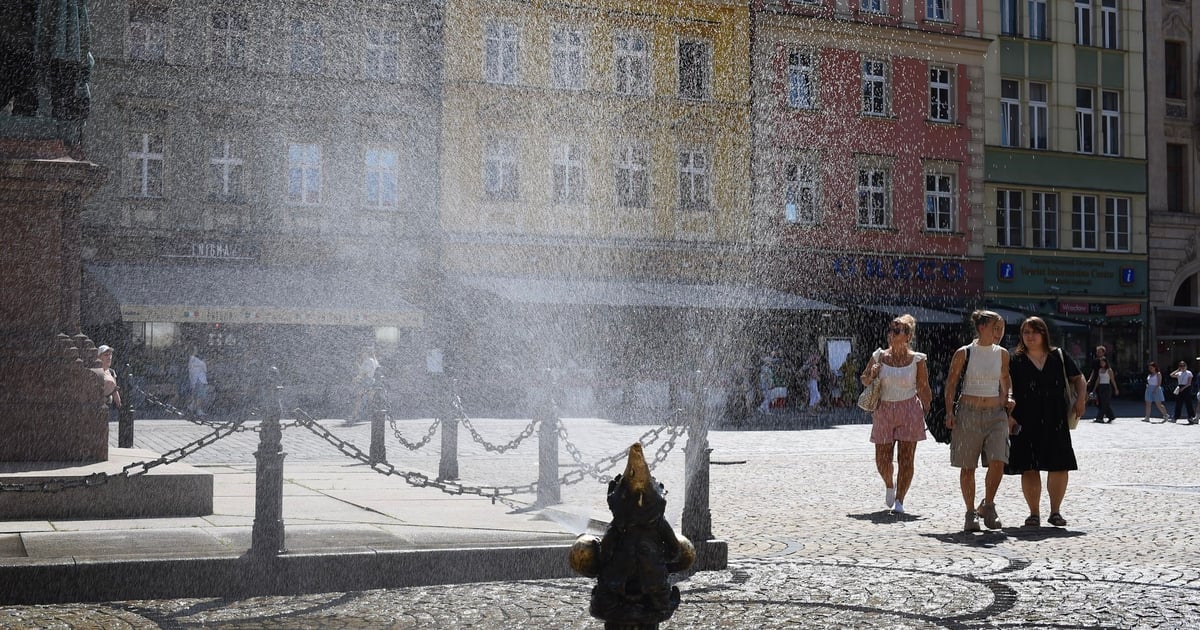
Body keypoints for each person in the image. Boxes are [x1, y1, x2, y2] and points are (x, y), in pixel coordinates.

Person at [1006, 317, 1087, 528]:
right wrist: (1008, 415)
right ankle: (1034, 513)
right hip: (1025, 419)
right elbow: (1005, 387)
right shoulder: (1015, 359)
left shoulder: (1057, 355)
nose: (1030, 336)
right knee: (1029, 467)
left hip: (1055, 418)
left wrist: (1081, 399)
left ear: (1044, 334)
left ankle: (1055, 512)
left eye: (1035, 332)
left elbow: (1079, 378)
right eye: (1026, 332)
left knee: (1059, 465)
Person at [944, 310, 1016, 532]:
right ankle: (970, 513)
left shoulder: (1002, 353)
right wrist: (949, 412)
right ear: (981, 328)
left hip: (996, 414)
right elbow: (951, 383)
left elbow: (1005, 378)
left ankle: (989, 505)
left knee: (998, 460)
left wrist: (1009, 396)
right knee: (968, 466)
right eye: (995, 328)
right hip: (968, 413)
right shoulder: (964, 353)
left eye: (1002, 329)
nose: (999, 333)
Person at [859, 314, 932, 515]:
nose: (891, 333)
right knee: (882, 459)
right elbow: (864, 379)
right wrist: (871, 374)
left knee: (906, 458)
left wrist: (928, 410)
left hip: (909, 410)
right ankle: (889, 484)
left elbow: (923, 387)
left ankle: (900, 500)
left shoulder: (917, 359)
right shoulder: (879, 356)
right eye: (891, 329)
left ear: (908, 336)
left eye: (897, 330)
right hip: (884, 409)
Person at [348, 348, 381, 425]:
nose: (362, 354)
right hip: (371, 381)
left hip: (366, 382)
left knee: (359, 398)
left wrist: (357, 378)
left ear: (366, 353)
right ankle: (377, 415)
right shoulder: (374, 360)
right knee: (370, 400)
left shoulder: (368, 361)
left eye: (363, 352)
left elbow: (364, 373)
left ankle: (355, 415)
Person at [1086, 357, 1119, 424]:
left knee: (1105, 403)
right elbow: (1098, 380)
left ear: (1106, 363)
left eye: (1103, 362)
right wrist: (1094, 389)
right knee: (1103, 403)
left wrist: (1116, 389)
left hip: (1107, 387)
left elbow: (1112, 380)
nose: (1102, 364)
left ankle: (1099, 417)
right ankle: (1111, 416)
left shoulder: (1109, 370)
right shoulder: (1100, 370)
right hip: (1101, 387)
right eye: (1101, 363)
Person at [96, 345, 121, 420]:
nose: (109, 357)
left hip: (107, 405)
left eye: (110, 355)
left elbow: (115, 389)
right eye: (106, 355)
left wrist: (119, 404)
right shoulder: (96, 371)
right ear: (99, 357)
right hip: (96, 406)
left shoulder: (111, 372)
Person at [187, 348, 208, 417]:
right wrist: (204, 362)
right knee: (199, 396)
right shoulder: (195, 360)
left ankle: (192, 406)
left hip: (195, 380)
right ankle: (198, 410)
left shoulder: (193, 361)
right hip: (200, 380)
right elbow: (205, 369)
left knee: (195, 395)